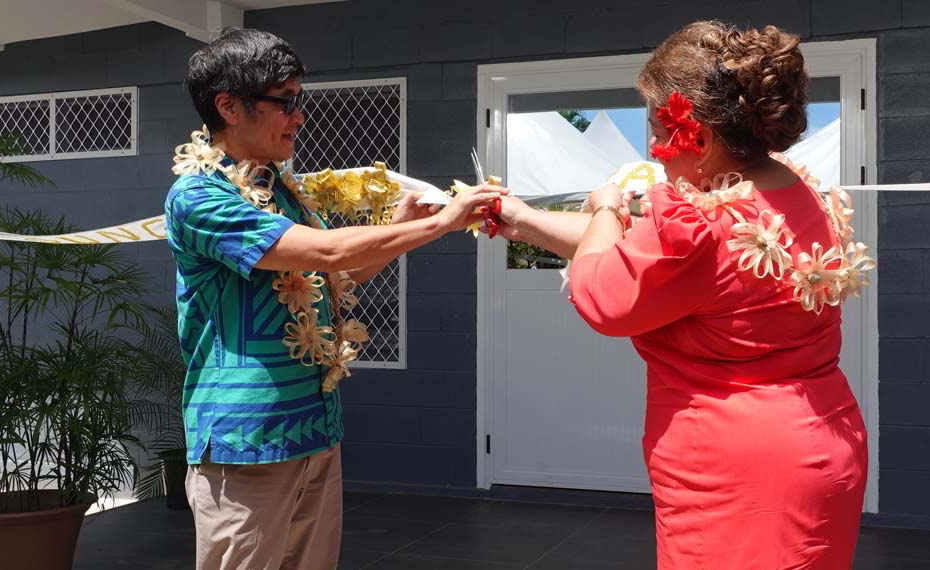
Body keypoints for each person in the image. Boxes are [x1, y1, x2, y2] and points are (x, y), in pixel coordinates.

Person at [494, 20, 871, 570]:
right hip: (822, 443)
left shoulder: (698, 221)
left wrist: (604, 205)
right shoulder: (792, 191)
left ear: (704, 135)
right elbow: (645, 255)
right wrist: (524, 221)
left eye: (658, 127)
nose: (652, 145)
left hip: (740, 474)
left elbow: (604, 292)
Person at [164, 27, 504, 570]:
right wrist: (444, 221)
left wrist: (405, 226)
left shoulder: (281, 189)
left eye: (300, 101)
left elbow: (338, 273)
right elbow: (324, 252)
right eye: (285, 102)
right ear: (228, 106)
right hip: (246, 438)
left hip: (315, 426)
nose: (299, 116)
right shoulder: (200, 195)